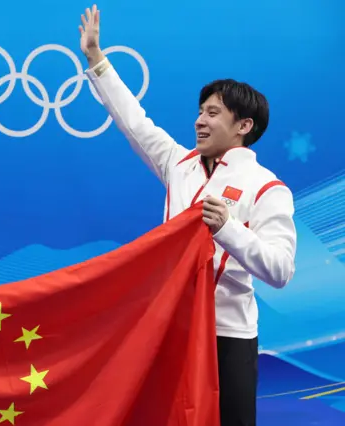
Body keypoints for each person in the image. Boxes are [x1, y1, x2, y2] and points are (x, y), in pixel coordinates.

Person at [78, 5, 296, 426]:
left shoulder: (268, 188)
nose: (199, 121)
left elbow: (281, 270)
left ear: (243, 126)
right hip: (170, 328)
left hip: (227, 338)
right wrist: (96, 60)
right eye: (199, 111)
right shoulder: (178, 164)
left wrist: (229, 230)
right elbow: (134, 122)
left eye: (213, 113)